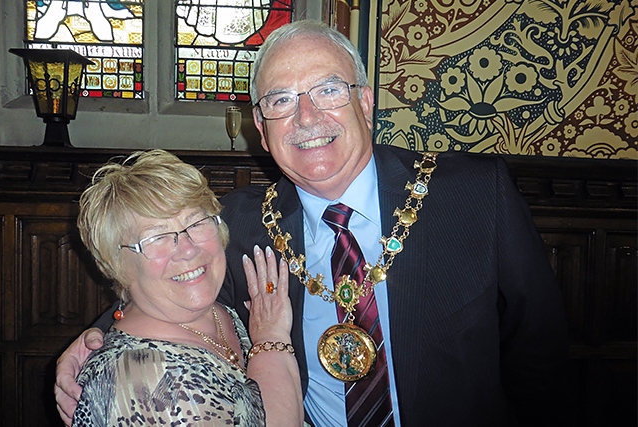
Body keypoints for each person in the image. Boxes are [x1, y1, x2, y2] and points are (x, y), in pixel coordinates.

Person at [56, 20, 568, 426]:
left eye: (327, 90)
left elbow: (540, 353)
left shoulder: (473, 193)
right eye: (280, 101)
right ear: (260, 126)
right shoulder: (240, 221)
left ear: (365, 102)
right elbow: (165, 280)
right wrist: (95, 342)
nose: (305, 117)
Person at [68, 149, 302, 426]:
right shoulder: (149, 381)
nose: (188, 250)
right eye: (156, 238)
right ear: (117, 264)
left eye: (197, 222)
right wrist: (271, 341)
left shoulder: (218, 311)